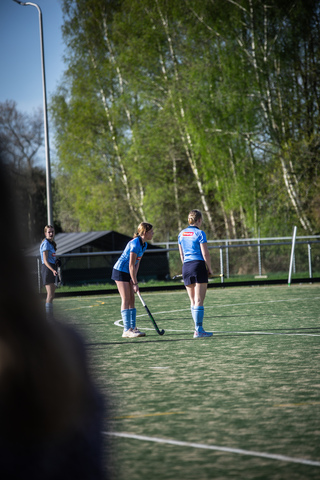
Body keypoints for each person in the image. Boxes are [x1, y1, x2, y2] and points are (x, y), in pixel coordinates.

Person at [0, 159, 108, 479]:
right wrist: (51, 269)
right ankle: (47, 318)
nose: (49, 231)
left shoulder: (53, 240)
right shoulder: (70, 349)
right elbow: (47, 258)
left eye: (49, 228)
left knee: (51, 298)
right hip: (48, 274)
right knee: (49, 297)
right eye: (46, 229)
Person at [111, 222, 154, 338]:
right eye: (151, 232)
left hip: (129, 272)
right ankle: (126, 330)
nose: (153, 234)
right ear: (144, 233)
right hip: (120, 271)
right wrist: (135, 283)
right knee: (126, 298)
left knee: (132, 299)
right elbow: (130, 265)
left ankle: (133, 328)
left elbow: (137, 263)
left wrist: (133, 278)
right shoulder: (135, 244)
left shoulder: (144, 245)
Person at [178, 209, 213, 338]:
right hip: (198, 265)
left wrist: (186, 266)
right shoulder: (200, 233)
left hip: (186, 266)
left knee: (193, 300)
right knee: (199, 300)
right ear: (199, 220)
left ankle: (197, 329)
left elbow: (181, 254)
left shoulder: (181, 234)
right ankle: (199, 330)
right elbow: (205, 254)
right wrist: (209, 268)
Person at [40, 225, 59, 319]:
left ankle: (50, 317)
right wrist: (53, 270)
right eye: (49, 232)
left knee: (52, 294)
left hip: (51, 268)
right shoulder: (46, 243)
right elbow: (45, 260)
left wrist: (56, 262)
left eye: (52, 232)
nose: (51, 233)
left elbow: (51, 258)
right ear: (45, 233)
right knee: (50, 294)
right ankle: (48, 318)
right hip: (47, 269)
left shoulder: (51, 243)